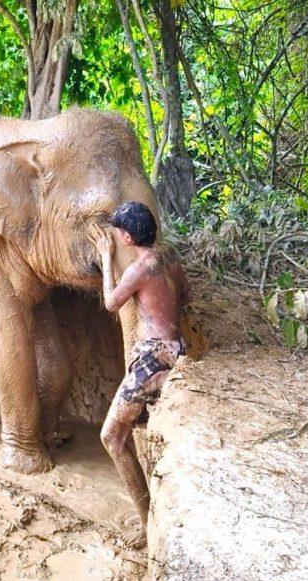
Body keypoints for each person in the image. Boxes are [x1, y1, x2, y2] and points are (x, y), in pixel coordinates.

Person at [88, 201, 192, 548]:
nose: (115, 240)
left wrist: (105, 258)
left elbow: (110, 303)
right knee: (144, 430)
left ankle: (148, 524)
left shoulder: (139, 269)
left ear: (129, 237)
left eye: (116, 236)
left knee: (111, 437)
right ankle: (158, 511)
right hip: (178, 351)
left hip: (154, 360)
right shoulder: (169, 257)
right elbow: (186, 296)